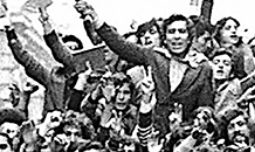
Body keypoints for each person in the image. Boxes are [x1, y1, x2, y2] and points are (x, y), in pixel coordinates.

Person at [77, 3, 215, 134]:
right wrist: (96, 20)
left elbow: (205, 105)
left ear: (190, 38)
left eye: (182, 31)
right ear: (165, 38)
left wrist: (196, 121)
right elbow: (122, 46)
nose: (177, 36)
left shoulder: (202, 67)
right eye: (171, 32)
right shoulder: (155, 56)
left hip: (184, 135)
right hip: (152, 131)